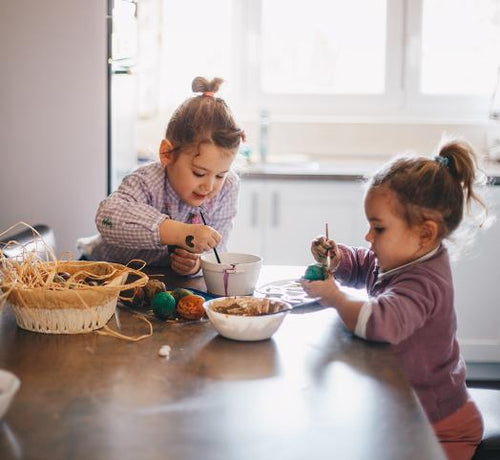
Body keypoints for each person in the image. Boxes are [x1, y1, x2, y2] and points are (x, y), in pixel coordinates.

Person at [301, 140, 487, 460]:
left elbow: (382, 322)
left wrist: (335, 298)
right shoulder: (402, 257)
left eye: (379, 228)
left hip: (441, 425)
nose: (369, 237)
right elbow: (364, 265)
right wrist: (336, 258)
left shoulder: (425, 282)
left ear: (425, 234)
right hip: (408, 411)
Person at [82, 76, 244, 275]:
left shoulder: (228, 187)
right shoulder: (146, 181)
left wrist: (196, 265)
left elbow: (217, 249)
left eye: (220, 175)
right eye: (199, 173)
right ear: (167, 153)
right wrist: (181, 233)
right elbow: (107, 218)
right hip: (103, 273)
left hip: (160, 278)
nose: (209, 186)